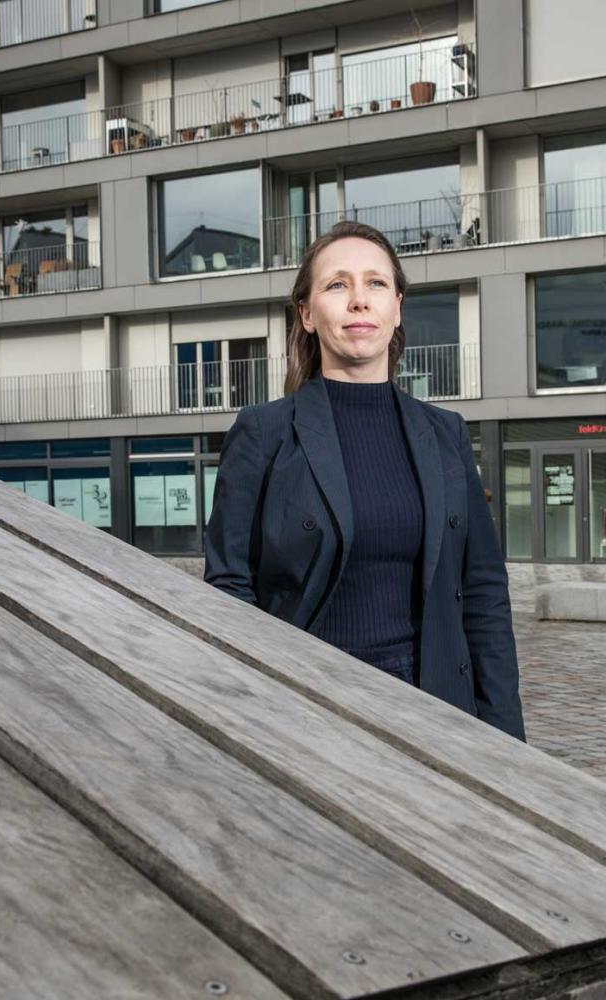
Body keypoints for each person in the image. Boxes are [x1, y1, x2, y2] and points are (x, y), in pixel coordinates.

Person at [204, 220, 525, 741]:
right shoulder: (264, 433)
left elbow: (484, 591)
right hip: (310, 708)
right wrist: (263, 711)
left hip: (436, 706)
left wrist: (507, 740)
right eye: (337, 285)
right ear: (306, 314)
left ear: (397, 307)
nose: (359, 300)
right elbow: (227, 589)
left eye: (376, 283)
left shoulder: (444, 434)